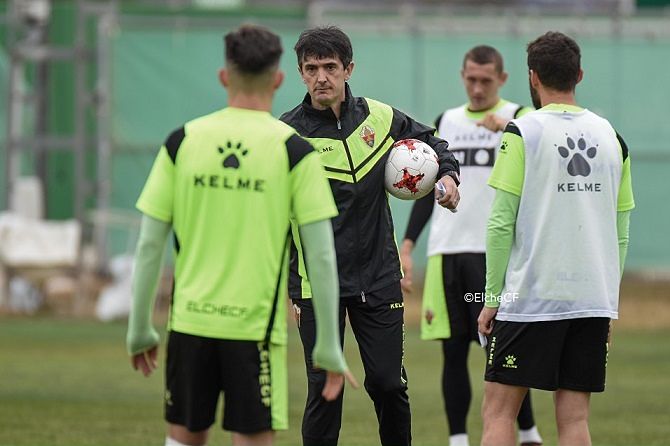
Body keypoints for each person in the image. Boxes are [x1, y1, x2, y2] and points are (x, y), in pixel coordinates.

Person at [126, 24, 353, 446]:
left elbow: (149, 245)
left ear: (224, 76)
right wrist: (328, 345)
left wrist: (140, 326)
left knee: (183, 438)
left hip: (189, 323)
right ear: (281, 78)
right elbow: (319, 256)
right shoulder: (293, 150)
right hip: (254, 331)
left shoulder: (183, 141)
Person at [280, 26, 461, 446]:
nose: (321, 77)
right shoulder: (287, 135)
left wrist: (449, 177)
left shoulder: (380, 118)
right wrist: (292, 288)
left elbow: (435, 144)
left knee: (388, 384)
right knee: (326, 390)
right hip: (316, 285)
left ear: (348, 69)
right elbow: (275, 218)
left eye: (330, 67)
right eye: (311, 69)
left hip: (379, 276)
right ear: (300, 74)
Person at [477, 31, 635, 446]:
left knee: (497, 412)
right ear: (579, 74)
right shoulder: (612, 137)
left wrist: (493, 298)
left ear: (532, 77)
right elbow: (621, 231)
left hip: (531, 299)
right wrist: (609, 301)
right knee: (575, 420)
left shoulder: (521, 132)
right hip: (591, 300)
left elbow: (499, 224)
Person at [400, 45, 542, 446]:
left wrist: (509, 130)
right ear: (462, 75)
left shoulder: (521, 119)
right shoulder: (445, 121)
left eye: (486, 80)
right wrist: (408, 245)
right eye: (471, 79)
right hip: (447, 253)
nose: (477, 88)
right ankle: (458, 439)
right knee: (452, 352)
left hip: (495, 255)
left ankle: (528, 432)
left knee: (500, 350)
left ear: (503, 79)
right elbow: (428, 189)